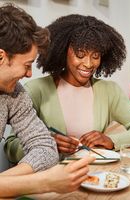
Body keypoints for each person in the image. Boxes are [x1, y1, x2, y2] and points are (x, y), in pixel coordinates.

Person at [5, 14, 130, 162]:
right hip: (52, 179)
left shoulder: (109, 91)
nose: (88, 64)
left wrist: (111, 140)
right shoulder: (36, 89)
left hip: (95, 177)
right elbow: (11, 146)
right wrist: (47, 144)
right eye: (80, 54)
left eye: (95, 56)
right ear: (63, 51)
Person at [0, 3, 94, 198]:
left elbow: (45, 146)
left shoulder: (14, 94)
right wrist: (41, 182)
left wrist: (8, 182)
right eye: (27, 65)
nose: (29, 73)